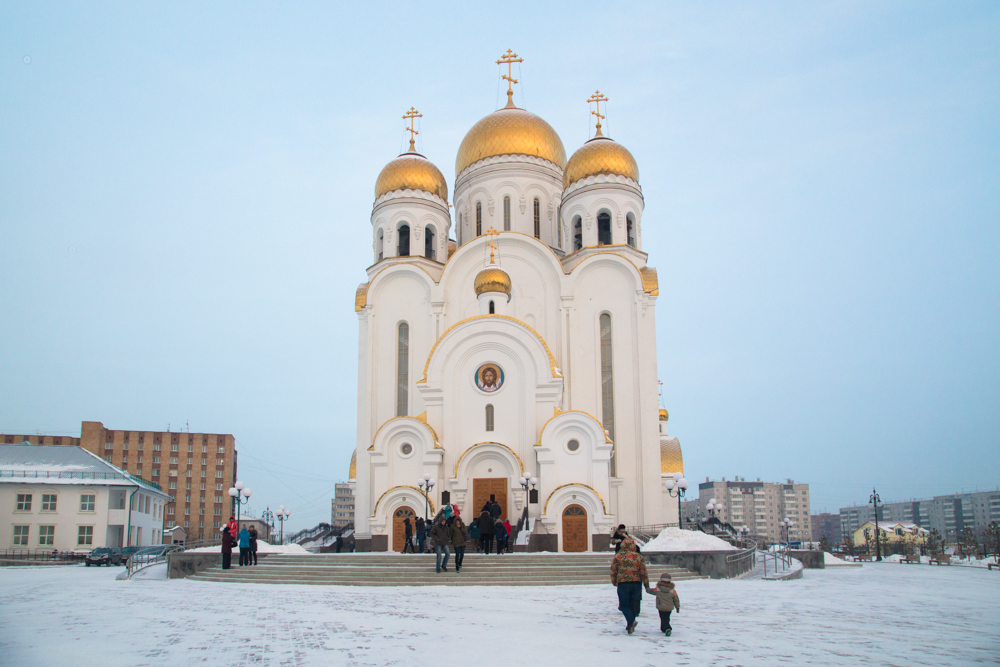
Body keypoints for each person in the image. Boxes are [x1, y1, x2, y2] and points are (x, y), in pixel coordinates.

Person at [610, 536, 649, 635]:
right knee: (632, 603)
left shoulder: (618, 556)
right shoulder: (638, 556)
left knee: (623, 605)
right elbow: (643, 571)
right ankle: (630, 625)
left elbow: (613, 570)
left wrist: (614, 581)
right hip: (636, 583)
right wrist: (646, 584)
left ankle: (631, 621)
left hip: (623, 583)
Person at [646, 572, 681, 636]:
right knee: (666, 617)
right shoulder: (672, 590)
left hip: (661, 606)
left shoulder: (658, 589)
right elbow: (676, 599)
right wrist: (677, 607)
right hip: (669, 607)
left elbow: (650, 591)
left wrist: (646, 586)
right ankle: (663, 628)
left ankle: (667, 628)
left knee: (662, 617)